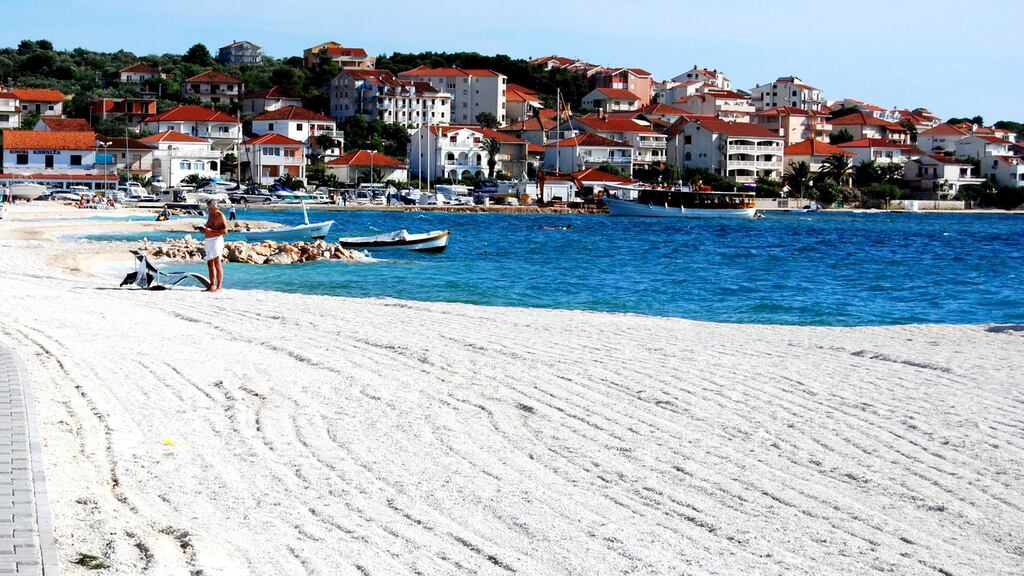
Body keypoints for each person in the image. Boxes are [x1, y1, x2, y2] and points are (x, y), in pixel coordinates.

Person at [198, 200, 227, 292]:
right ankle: (211, 285)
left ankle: (219, 287)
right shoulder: (210, 215)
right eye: (208, 208)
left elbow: (225, 231)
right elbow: (208, 226)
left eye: (210, 208)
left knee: (217, 263)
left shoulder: (220, 216)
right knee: (209, 263)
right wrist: (203, 229)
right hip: (208, 240)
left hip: (216, 240)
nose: (209, 210)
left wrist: (210, 231)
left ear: (215, 207)